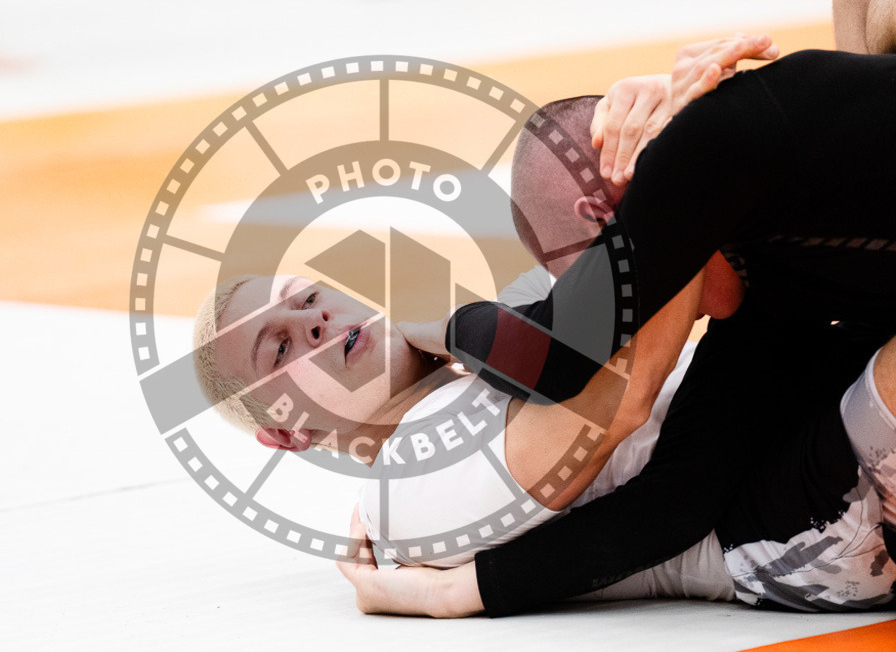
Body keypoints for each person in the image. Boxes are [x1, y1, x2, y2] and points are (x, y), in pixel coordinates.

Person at [343, 43, 896, 616]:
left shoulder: (706, 151)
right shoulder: (765, 276)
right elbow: (681, 495)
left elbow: (555, 356)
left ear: (605, 220)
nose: (631, 324)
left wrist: (440, 324)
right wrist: (461, 588)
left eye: (601, 290)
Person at [191, 269, 896, 614]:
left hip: (769, 412)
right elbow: (614, 406)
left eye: (309, 296)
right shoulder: (406, 474)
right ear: (288, 430)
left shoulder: (461, 366)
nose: (314, 321)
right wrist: (704, 207)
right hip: (786, 517)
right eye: (281, 345)